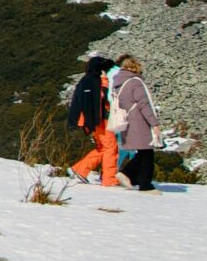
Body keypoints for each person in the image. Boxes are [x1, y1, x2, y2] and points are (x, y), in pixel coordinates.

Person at [68, 55, 119, 187]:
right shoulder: (96, 81)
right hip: (100, 121)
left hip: (90, 121)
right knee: (110, 147)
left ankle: (81, 169)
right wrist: (105, 80)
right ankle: (109, 179)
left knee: (102, 147)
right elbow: (102, 98)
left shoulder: (85, 80)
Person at [110, 55, 159, 191]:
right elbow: (144, 105)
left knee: (143, 152)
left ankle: (133, 177)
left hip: (127, 120)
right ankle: (142, 182)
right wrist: (154, 123)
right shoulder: (135, 82)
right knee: (147, 152)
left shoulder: (118, 83)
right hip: (139, 121)